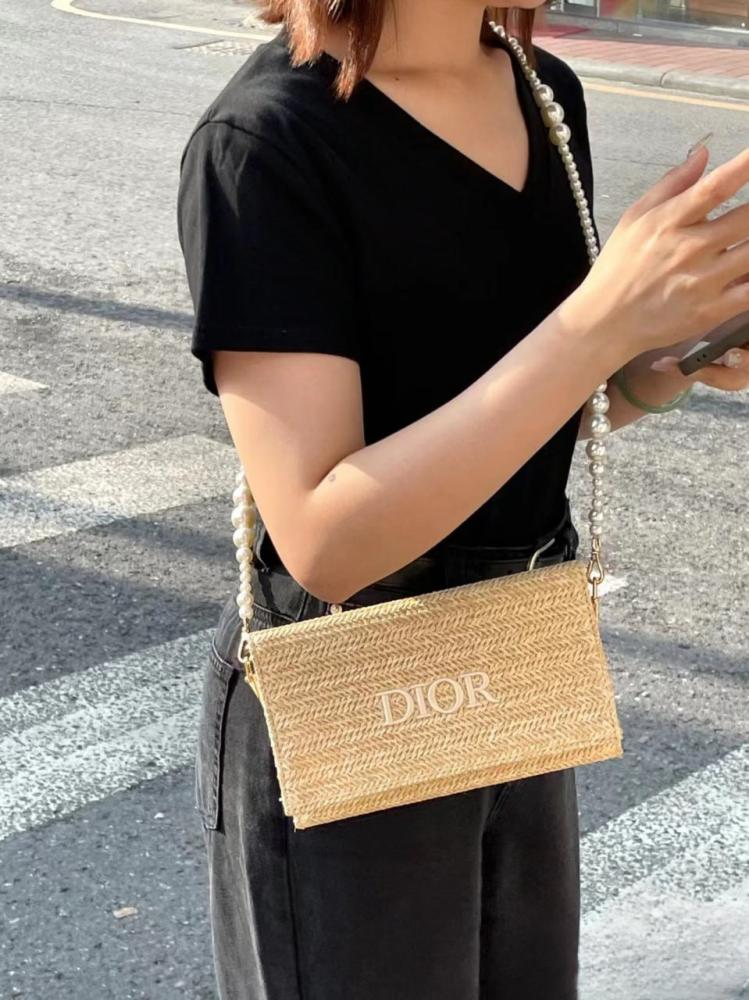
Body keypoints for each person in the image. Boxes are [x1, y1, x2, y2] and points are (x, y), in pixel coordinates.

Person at [176, 1, 749, 996]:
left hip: (509, 657)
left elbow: (532, 408)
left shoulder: (540, 92)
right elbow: (322, 539)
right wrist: (596, 322)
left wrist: (656, 362)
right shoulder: (264, 142)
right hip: (352, 683)